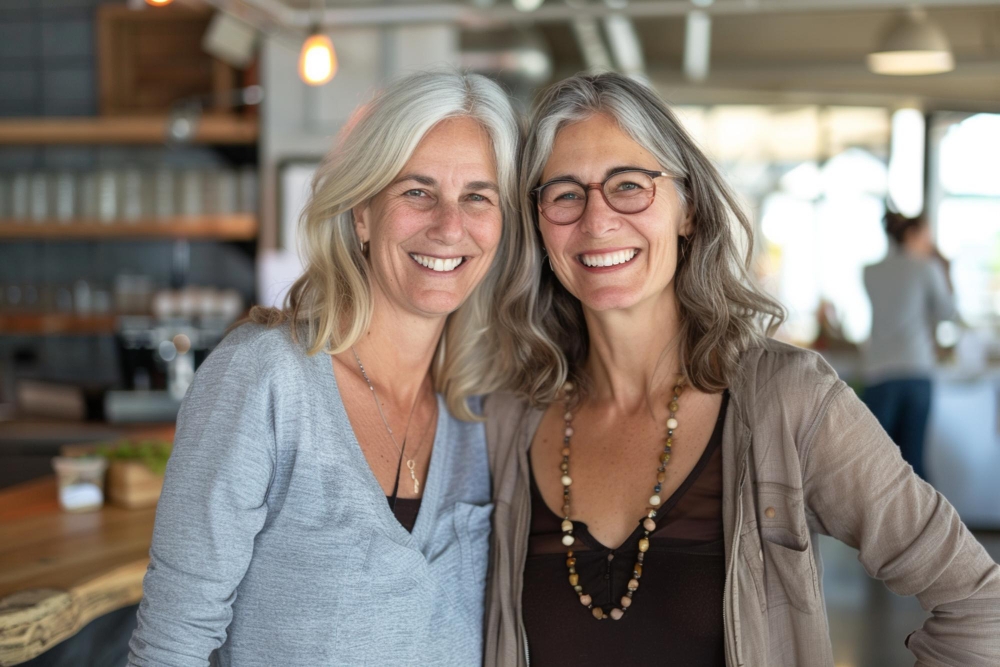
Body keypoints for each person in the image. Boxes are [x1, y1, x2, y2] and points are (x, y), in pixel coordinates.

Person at [482, 72, 1000, 666]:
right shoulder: (510, 418)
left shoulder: (788, 400)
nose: (597, 220)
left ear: (690, 212)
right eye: (566, 193)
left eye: (629, 185)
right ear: (539, 225)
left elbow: (981, 603)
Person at [127, 70, 521, 666]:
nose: (448, 226)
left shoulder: (477, 407)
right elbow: (172, 644)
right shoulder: (265, 378)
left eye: (477, 196)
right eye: (417, 191)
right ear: (362, 213)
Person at [862, 211, 957, 481]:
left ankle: (875, 523)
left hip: (878, 371)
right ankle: (925, 523)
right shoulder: (927, 268)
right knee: (914, 462)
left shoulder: (870, 271)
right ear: (912, 235)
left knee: (878, 460)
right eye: (927, 235)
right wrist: (944, 266)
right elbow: (947, 312)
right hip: (915, 370)